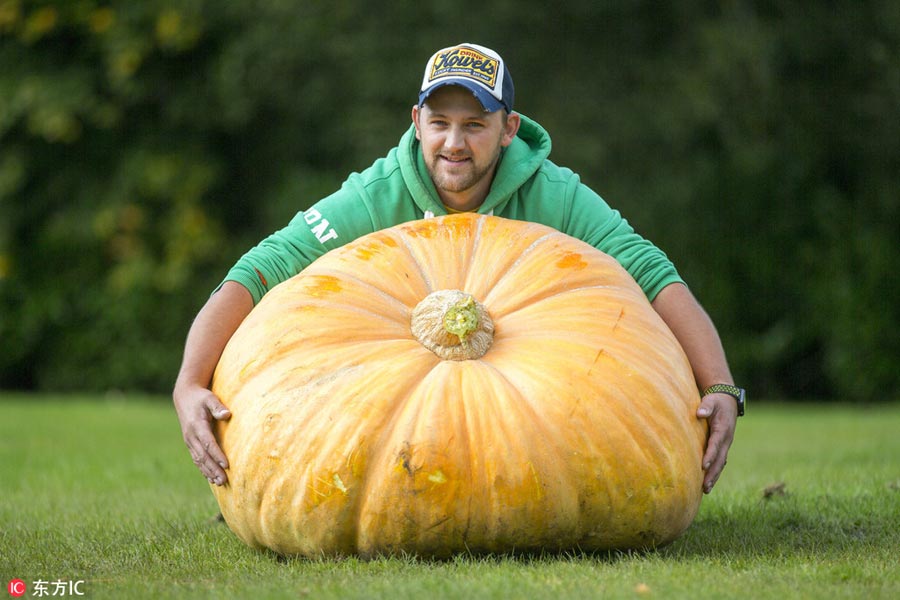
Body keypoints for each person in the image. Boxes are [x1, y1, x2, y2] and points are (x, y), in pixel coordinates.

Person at [174, 43, 744, 495]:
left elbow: (649, 271)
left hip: (533, 397)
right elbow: (263, 267)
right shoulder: (377, 197)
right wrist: (190, 384)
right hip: (396, 405)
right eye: (440, 121)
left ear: (509, 128)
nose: (454, 142)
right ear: (417, 121)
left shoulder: (556, 197)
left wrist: (719, 385)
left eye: (475, 124)